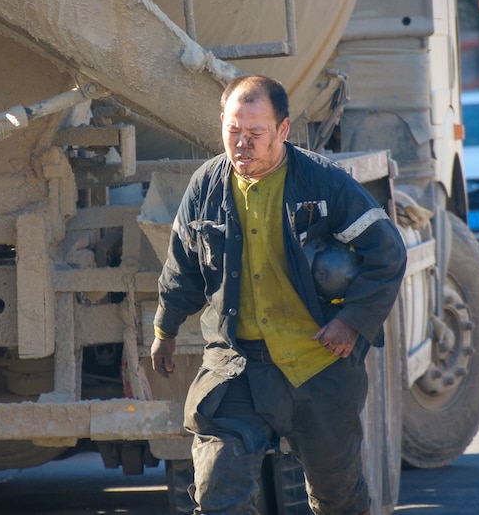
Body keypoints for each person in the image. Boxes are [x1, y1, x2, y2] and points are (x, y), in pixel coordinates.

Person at [150, 75, 407, 515]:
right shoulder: (205, 189)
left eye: (255, 134)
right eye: (234, 131)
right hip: (236, 368)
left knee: (338, 499)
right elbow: (182, 268)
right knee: (216, 496)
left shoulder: (323, 185)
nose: (242, 144)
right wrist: (165, 329)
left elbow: (387, 254)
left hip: (317, 367)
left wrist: (352, 322)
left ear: (283, 130)